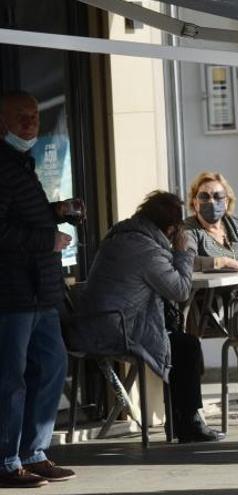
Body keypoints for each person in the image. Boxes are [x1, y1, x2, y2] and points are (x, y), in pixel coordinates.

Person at [76, 191, 224, 443]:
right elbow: (179, 290)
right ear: (170, 229)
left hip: (97, 323)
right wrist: (184, 251)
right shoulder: (146, 250)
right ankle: (187, 422)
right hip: (115, 331)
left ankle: (181, 419)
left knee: (177, 341)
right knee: (186, 346)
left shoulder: (121, 236)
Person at [0, 91, 79, 488]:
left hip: (41, 293)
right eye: (21, 117)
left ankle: (34, 451)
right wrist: (45, 240)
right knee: (11, 380)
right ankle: (7, 460)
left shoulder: (20, 164)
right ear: (2, 122)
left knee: (51, 368)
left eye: (33, 116)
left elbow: (21, 217)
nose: (30, 123)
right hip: (13, 294)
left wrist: (55, 212)